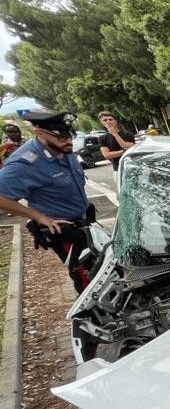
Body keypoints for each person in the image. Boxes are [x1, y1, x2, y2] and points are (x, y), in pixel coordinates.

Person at [0, 111, 96, 291]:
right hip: (66, 231)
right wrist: (38, 216)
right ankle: (94, 318)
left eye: (70, 136)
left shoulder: (62, 149)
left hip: (85, 223)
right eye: (61, 137)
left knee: (102, 274)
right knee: (87, 281)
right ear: (39, 132)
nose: (68, 141)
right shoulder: (25, 163)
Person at [97, 110, 136, 175]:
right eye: (105, 120)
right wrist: (124, 151)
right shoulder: (102, 138)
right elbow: (107, 155)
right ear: (102, 122)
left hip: (132, 166)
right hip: (118, 169)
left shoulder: (128, 134)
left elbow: (127, 146)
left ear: (115, 121)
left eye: (110, 119)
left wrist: (115, 134)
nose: (108, 122)